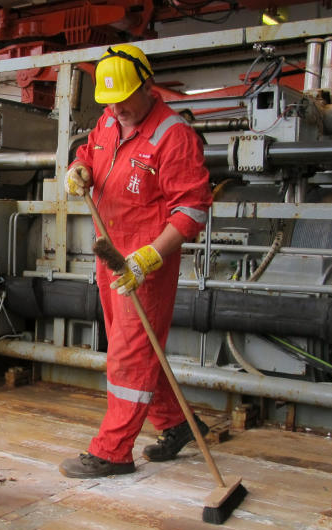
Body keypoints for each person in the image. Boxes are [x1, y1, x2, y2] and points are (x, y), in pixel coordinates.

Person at [60, 44, 212, 478]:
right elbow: (90, 150)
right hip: (111, 252)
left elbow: (193, 209)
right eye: (110, 102)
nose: (118, 110)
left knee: (129, 354)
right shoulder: (111, 117)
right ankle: (178, 424)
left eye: (125, 99)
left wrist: (149, 257)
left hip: (145, 262)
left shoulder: (172, 136)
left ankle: (112, 451)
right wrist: (79, 168)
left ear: (147, 87)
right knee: (138, 347)